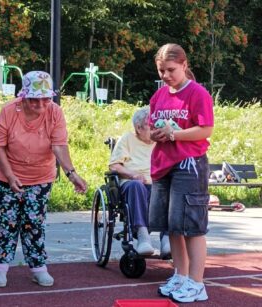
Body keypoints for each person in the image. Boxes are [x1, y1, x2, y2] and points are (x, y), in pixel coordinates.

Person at [0, 71, 87, 288]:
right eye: (35, 99)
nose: (41, 104)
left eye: (46, 99)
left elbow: (59, 146)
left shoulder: (55, 113)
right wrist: (10, 176)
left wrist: (72, 174)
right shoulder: (8, 111)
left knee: (34, 222)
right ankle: (0, 268)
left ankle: (38, 268)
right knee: (8, 221)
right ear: (24, 96)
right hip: (5, 175)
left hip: (40, 176)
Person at [148, 43, 214, 303]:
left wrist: (175, 134)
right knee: (172, 226)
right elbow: (152, 126)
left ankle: (197, 284)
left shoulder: (198, 93)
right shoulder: (159, 95)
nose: (166, 76)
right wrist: (155, 133)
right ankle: (181, 275)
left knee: (192, 227)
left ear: (185, 65)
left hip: (189, 163)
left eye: (171, 70)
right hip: (164, 164)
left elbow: (205, 129)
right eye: (161, 70)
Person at [108, 106, 170, 257]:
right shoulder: (127, 139)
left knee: (172, 186)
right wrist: (133, 174)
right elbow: (114, 165)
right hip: (133, 184)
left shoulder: (161, 141)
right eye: (151, 126)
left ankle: (168, 240)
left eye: (157, 125)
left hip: (157, 184)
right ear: (138, 127)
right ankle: (143, 236)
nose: (156, 129)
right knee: (137, 185)